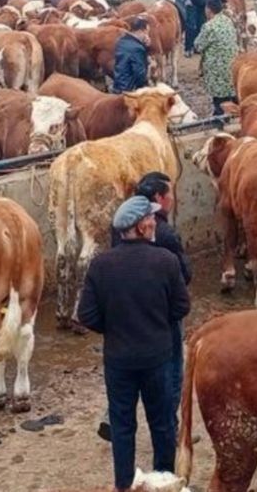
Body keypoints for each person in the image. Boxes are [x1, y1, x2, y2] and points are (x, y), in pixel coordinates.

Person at [77, 196, 189, 492]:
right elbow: (181, 308)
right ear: (141, 227)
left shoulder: (101, 265)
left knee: (123, 425)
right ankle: (165, 480)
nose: (155, 222)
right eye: (150, 219)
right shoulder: (166, 261)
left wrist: (113, 328)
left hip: (119, 360)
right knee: (163, 423)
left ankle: (124, 484)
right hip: (158, 358)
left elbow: (86, 314)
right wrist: (157, 324)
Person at [100, 172, 192, 443]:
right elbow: (183, 274)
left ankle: (111, 418)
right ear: (158, 199)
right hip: (159, 314)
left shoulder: (121, 224)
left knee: (124, 370)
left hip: (124, 309)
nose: (173, 199)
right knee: (171, 370)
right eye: (170, 194)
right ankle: (169, 427)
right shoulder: (164, 233)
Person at [194, 0, 239, 117]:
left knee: (219, 97)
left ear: (208, 9)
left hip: (217, 69)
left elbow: (198, 45)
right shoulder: (228, 21)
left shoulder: (209, 26)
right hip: (233, 66)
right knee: (231, 92)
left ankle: (220, 115)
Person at [112, 17, 150, 94]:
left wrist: (144, 45)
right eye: (147, 32)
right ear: (141, 31)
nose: (147, 35)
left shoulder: (121, 41)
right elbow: (139, 74)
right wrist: (145, 88)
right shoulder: (137, 48)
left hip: (118, 86)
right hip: (129, 90)